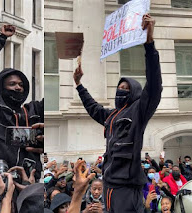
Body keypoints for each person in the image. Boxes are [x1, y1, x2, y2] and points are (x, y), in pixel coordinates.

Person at [73, 14, 161, 213]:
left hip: (127, 188)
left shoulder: (139, 110)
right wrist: (79, 84)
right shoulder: (112, 115)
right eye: (119, 87)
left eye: (126, 88)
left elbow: (154, 85)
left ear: (135, 94)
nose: (120, 90)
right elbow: (93, 108)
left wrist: (149, 43)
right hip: (109, 185)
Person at [0, 25, 44, 180]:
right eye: (12, 84)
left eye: (21, 85)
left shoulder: (33, 111)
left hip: (29, 181)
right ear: (2, 87)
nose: (17, 87)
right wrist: (0, 40)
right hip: (0, 178)